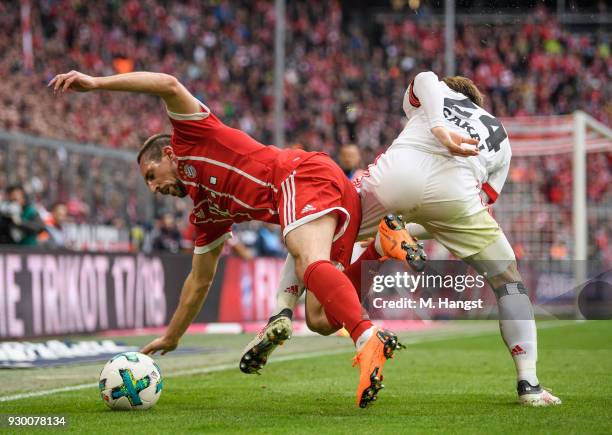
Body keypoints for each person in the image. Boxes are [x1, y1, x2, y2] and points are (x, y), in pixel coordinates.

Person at [49, 69, 402, 408]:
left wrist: (96, 83)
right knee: (321, 320)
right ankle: (379, 248)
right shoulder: (206, 214)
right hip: (327, 193)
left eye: (152, 176)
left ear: (169, 155)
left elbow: (168, 84)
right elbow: (199, 281)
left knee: (307, 261)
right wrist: (173, 336)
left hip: (299, 175)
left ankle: (367, 338)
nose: (154, 188)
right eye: (149, 185)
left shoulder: (192, 136)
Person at [247, 71, 561, 407]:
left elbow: (425, 77)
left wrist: (438, 125)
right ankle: (529, 384)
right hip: (457, 197)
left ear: (453, 91)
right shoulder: (500, 134)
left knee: (316, 220)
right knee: (509, 282)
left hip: (395, 179)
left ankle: (281, 310)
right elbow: (479, 202)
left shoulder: (437, 93)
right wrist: (418, 226)